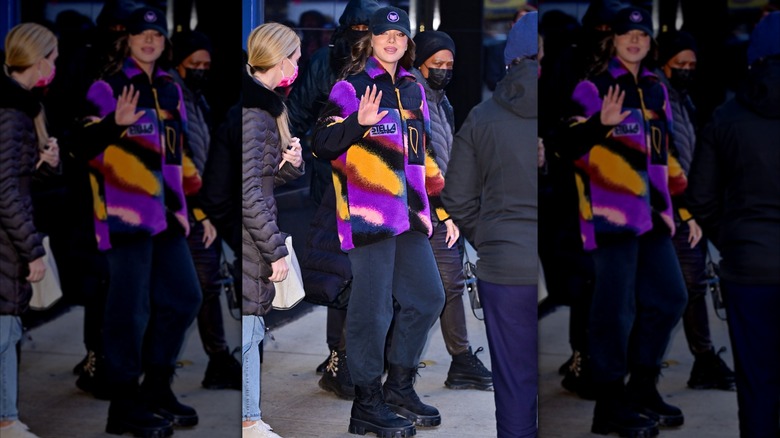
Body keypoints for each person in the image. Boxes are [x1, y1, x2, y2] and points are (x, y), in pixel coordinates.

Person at [312, 6, 447, 437]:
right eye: (384, 33)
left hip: (408, 217)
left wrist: (437, 208)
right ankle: (366, 403)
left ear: (408, 44)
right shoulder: (351, 87)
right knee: (371, 313)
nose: (392, 40)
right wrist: (357, 123)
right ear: (370, 39)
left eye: (400, 35)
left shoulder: (414, 89)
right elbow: (321, 145)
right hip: (369, 218)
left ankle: (399, 388)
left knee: (428, 298)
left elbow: (420, 155)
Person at [555, 6, 689, 437]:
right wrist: (600, 124)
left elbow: (663, 155)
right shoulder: (593, 87)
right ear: (613, 39)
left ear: (650, 43)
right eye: (627, 34)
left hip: (652, 219)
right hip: (610, 219)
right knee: (615, 313)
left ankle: (642, 388)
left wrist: (681, 209)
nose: (635, 40)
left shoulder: (656, 89)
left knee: (671, 298)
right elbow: (566, 147)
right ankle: (608, 407)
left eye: (642, 35)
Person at [74, 6, 204, 436]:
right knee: (129, 313)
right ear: (127, 40)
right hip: (124, 218)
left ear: (165, 43)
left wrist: (193, 208)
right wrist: (115, 124)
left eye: (156, 34)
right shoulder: (108, 87)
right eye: (141, 34)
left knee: (185, 299)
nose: (149, 40)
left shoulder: (170, 88)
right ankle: (124, 407)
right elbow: (82, 149)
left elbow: (177, 154)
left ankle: (156, 387)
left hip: (167, 216)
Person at [441, 11, 539, 438]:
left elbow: (457, 198)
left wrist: (491, 236)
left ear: (509, 60)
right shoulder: (589, 108)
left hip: (506, 264)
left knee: (515, 382)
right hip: (573, 266)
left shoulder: (483, 116)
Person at [687, 11, 780, 438]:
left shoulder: (727, 116)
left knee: (756, 380)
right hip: (749, 256)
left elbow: (701, 198)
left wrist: (736, 240)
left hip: (749, 266)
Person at [287, 0, 380, 400]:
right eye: (355, 27)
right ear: (344, 29)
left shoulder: (386, 66)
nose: (362, 34)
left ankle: (351, 357)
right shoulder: (327, 64)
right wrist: (312, 150)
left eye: (368, 28)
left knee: (369, 275)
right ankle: (338, 358)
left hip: (377, 189)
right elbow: (297, 114)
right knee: (339, 270)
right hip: (332, 184)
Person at [410, 29, 493, 391]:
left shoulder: (441, 99)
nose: (444, 70)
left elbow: (448, 155)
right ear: (420, 64)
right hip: (423, 207)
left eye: (449, 64)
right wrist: (445, 210)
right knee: (441, 286)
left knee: (447, 284)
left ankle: (458, 361)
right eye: (436, 64)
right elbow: (421, 159)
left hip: (441, 203)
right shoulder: (413, 97)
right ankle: (399, 368)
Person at [656, 29, 736, 392]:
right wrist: (685, 209)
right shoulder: (658, 95)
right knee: (684, 287)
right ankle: (689, 362)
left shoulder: (681, 96)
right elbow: (663, 159)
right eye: (680, 64)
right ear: (665, 63)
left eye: (692, 64)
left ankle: (701, 360)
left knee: (691, 285)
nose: (687, 69)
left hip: (684, 203)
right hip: (672, 207)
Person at [241, 22, 305, 438]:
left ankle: (249, 418)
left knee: (251, 330)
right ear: (281, 61)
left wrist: (290, 167)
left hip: (251, 238)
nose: (298, 66)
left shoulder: (261, 109)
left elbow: (258, 181)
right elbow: (249, 193)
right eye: (296, 58)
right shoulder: (257, 114)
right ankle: (248, 420)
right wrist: (275, 250)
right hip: (251, 242)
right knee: (248, 333)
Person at [170, 29, 242, 391]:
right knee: (198, 288)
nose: (200, 70)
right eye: (193, 64)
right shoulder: (172, 96)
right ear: (178, 63)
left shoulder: (196, 98)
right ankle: (204, 363)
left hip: (198, 206)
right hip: (185, 210)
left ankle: (218, 361)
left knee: (207, 286)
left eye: (205, 65)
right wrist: (200, 211)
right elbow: (177, 161)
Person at [0, 22, 60, 438]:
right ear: (39, 61)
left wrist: (44, 167)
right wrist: (32, 250)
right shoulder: (13, 112)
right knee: (5, 334)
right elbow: (6, 192)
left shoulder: (20, 108)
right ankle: (6, 420)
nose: (55, 67)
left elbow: (16, 180)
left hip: (8, 243)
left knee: (8, 332)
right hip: (6, 247)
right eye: (53, 59)